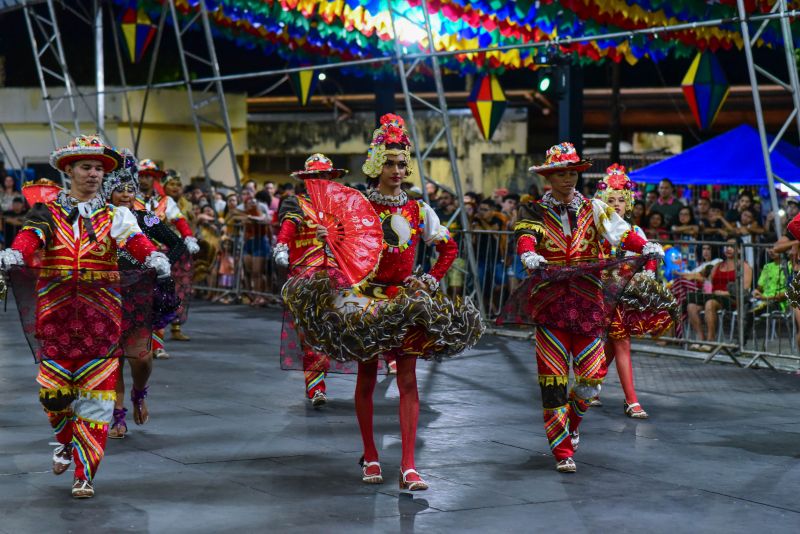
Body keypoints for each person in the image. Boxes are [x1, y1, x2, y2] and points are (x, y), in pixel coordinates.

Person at [282, 114, 483, 490]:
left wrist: (428, 279)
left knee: (408, 379)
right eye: (389, 162)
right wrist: (329, 240)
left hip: (405, 301)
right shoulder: (356, 208)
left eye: (402, 163)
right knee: (368, 377)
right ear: (376, 164)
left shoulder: (419, 209)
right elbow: (341, 256)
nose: (397, 169)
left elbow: (448, 248)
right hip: (364, 302)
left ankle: (408, 466)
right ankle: (371, 455)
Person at [0, 135, 170, 498]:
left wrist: (152, 255)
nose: (93, 174)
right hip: (56, 318)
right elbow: (31, 237)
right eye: (85, 167)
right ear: (68, 171)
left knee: (97, 399)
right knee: (52, 397)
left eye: (98, 168)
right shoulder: (47, 212)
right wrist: (15, 253)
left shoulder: (116, 214)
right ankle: (64, 440)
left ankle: (85, 474)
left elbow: (134, 240)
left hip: (101, 319)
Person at [512, 143, 663, 473]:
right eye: (561, 173)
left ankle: (573, 423)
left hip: (587, 303)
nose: (568, 179)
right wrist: (528, 254)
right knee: (552, 379)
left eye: (572, 173)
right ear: (549, 177)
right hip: (550, 305)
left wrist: (646, 245)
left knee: (593, 375)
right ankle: (562, 450)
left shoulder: (595, 208)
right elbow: (526, 237)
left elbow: (621, 234)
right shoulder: (534, 210)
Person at [103, 150, 186, 440]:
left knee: (141, 358)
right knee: (111, 358)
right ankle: (117, 415)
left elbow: (177, 243)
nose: (126, 195)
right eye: (119, 190)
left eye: (130, 189)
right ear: (107, 192)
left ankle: (139, 393)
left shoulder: (144, 219)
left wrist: (160, 265)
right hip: (107, 294)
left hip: (139, 295)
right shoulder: (99, 220)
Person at [593, 164, 674, 419]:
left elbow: (648, 252)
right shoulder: (595, 231)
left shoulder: (635, 232)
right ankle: (591, 387)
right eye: (611, 200)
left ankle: (621, 397)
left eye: (620, 200)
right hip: (596, 294)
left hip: (622, 296)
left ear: (628, 204)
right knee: (613, 343)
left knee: (619, 341)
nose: (616, 204)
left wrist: (648, 274)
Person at [274, 154, 348, 407]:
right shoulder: (295, 204)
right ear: (305, 180)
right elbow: (289, 225)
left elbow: (353, 236)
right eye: (314, 176)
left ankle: (390, 360)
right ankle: (316, 387)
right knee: (309, 333)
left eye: (324, 176)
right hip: (305, 275)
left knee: (339, 330)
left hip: (337, 277)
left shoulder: (341, 207)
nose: (320, 181)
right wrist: (282, 246)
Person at [138, 160, 199, 348]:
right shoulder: (128, 198)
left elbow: (180, 221)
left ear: (155, 178)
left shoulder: (165, 202)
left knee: (160, 296)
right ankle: (136, 344)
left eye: (149, 176)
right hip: (136, 254)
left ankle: (157, 345)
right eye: (142, 175)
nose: (145, 179)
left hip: (163, 255)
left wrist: (188, 237)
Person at [687, 239, 753, 351]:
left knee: (710, 303)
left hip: (732, 298)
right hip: (714, 297)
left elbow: (745, 289)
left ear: (740, 250)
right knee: (691, 306)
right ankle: (700, 339)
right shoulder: (717, 265)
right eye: (726, 246)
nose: (728, 249)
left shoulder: (744, 266)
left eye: (732, 246)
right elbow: (708, 283)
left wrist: (725, 292)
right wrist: (705, 288)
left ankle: (710, 341)